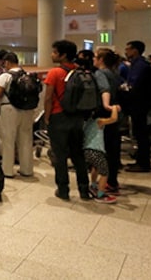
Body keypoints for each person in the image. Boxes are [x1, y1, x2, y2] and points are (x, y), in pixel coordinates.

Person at [43, 40, 90, 201]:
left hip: (58, 117)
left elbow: (48, 98)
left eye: (55, 52)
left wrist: (47, 117)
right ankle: (84, 189)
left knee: (60, 156)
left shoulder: (54, 72)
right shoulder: (80, 71)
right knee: (78, 155)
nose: (52, 55)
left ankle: (63, 190)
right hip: (77, 118)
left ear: (63, 55)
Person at [0, 52, 34, 177]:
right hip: (27, 109)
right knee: (26, 140)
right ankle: (27, 170)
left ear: (7, 62)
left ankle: (7, 170)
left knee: (8, 140)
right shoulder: (27, 75)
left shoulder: (6, 76)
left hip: (9, 109)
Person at [94, 48, 123, 194]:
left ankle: (104, 183)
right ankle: (112, 181)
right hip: (116, 113)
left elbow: (104, 89)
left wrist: (106, 105)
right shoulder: (115, 73)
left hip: (104, 114)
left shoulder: (100, 73)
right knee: (113, 148)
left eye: (95, 57)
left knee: (101, 150)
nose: (93, 59)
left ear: (101, 60)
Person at [122, 40, 151, 172]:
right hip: (139, 102)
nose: (126, 51)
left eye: (128, 49)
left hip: (139, 102)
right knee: (140, 132)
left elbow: (133, 84)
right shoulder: (138, 64)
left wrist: (124, 88)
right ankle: (140, 161)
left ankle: (143, 163)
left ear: (135, 50)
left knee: (141, 133)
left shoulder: (139, 65)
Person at [84, 105, 120, 203]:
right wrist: (114, 108)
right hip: (96, 151)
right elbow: (113, 119)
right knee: (105, 172)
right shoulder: (99, 121)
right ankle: (100, 195)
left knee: (95, 167)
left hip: (87, 150)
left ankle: (93, 186)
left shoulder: (87, 122)